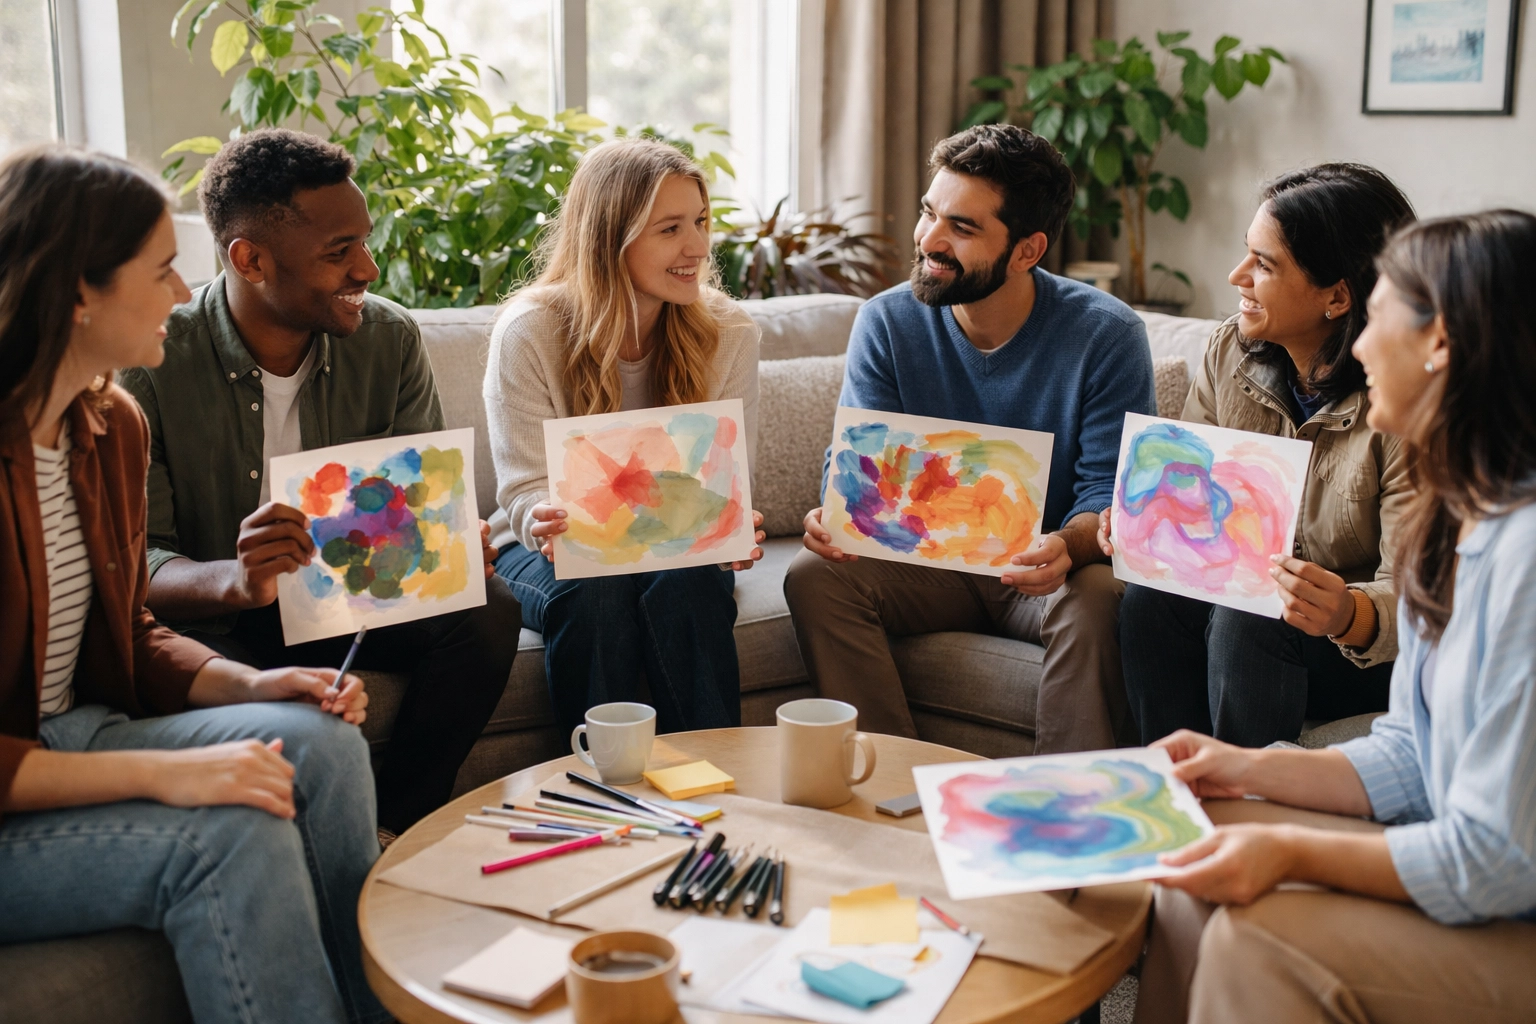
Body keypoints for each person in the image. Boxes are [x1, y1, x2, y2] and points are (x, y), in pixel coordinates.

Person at [0, 146, 388, 1024]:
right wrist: (168, 775)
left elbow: (128, 632)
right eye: (163, 269)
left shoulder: (108, 428)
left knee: (321, 744)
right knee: (234, 832)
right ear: (75, 292)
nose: (184, 292)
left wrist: (255, 686)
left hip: (78, 732)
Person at [1133, 210, 1536, 1024]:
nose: (1357, 346)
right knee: (1197, 844)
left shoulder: (1526, 556)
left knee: (1258, 937)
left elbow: (1498, 861)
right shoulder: (1459, 522)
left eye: (1379, 316)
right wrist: (1237, 769)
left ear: (1442, 345)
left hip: (1515, 906)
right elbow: (1414, 753)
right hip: (1481, 867)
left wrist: (1285, 850)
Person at [119, 128, 520, 837]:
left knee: (486, 610)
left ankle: (400, 832)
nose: (366, 268)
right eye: (339, 252)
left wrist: (448, 548)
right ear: (251, 259)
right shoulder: (153, 362)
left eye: (364, 241)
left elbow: (416, 514)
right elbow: (136, 564)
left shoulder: (388, 340)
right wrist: (237, 580)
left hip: (348, 601)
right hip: (220, 618)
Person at [783, 124, 1155, 752]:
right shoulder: (888, 321)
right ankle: (890, 790)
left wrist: (1069, 542)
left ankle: (1067, 805)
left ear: (1027, 250)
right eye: (930, 213)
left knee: (1098, 595)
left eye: (962, 227)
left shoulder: (1106, 335)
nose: (929, 239)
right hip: (928, 568)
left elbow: (1107, 491)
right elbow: (859, 464)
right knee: (814, 574)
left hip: (1042, 572)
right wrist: (837, 512)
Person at [1106, 164, 1414, 748]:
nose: (1235, 276)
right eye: (1246, 254)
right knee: (1152, 600)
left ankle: (1245, 804)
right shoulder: (1233, 350)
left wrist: (1348, 613)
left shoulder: (1402, 406)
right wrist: (1145, 521)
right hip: (1246, 620)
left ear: (1337, 296)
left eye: (1263, 264)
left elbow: (1420, 596)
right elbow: (1189, 488)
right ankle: (1172, 786)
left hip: (1359, 654)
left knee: (1253, 612)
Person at [485, 138, 765, 733]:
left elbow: (724, 480)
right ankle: (602, 792)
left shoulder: (730, 330)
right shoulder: (530, 331)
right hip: (542, 548)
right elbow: (524, 487)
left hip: (670, 546)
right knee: (596, 590)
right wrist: (542, 518)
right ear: (611, 238)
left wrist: (730, 530)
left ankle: (719, 780)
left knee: (689, 582)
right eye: (670, 229)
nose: (697, 247)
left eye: (700, 222)